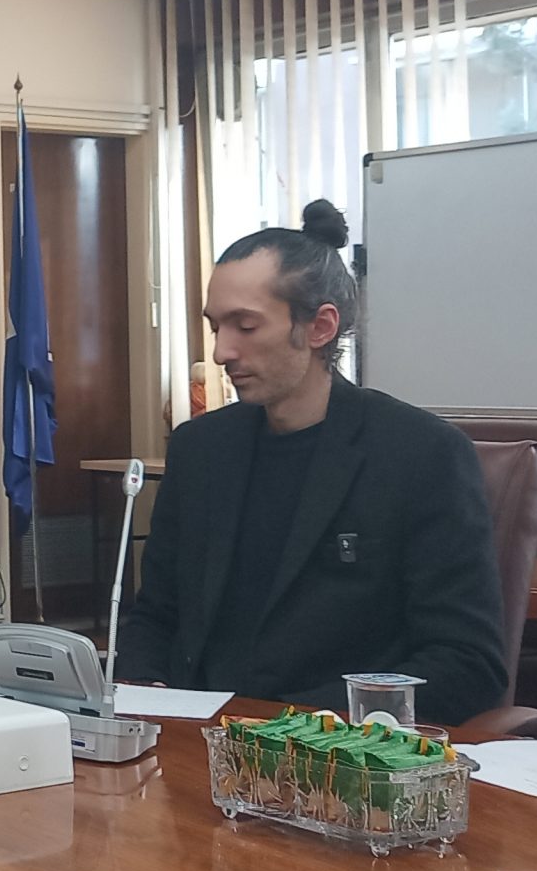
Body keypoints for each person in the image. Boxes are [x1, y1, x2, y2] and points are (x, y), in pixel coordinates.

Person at [115, 202, 508, 723]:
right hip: (192, 738)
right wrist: (146, 691)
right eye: (216, 327)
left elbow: (467, 663)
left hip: (330, 749)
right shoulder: (200, 449)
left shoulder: (420, 455)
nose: (222, 352)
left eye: (245, 327)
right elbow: (155, 616)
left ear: (320, 326)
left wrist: (299, 724)